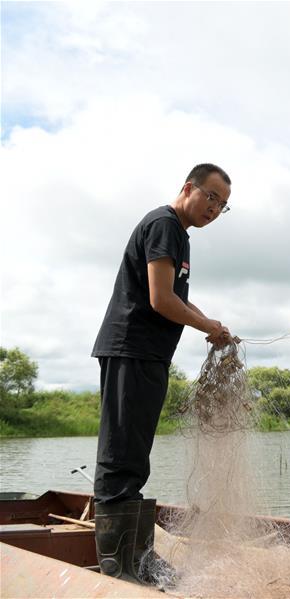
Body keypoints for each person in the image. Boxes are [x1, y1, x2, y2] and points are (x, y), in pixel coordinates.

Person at [90, 163, 233, 583]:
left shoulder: (179, 236)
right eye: (211, 197)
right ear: (189, 187)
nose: (214, 208)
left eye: (223, 205)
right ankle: (119, 567)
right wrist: (207, 327)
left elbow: (177, 298)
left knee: (134, 457)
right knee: (121, 456)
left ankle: (139, 559)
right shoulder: (164, 224)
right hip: (130, 349)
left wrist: (212, 323)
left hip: (148, 356)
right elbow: (160, 300)